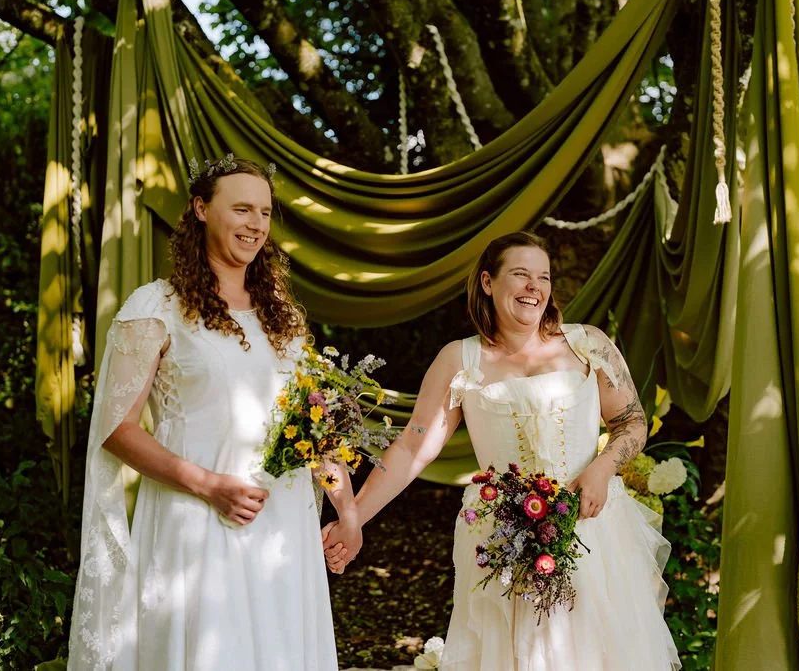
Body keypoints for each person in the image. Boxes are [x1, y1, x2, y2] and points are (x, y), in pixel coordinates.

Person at [323, 231, 680, 670]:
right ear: (488, 283)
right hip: (503, 539)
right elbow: (412, 450)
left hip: (591, 532)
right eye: (521, 274)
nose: (535, 287)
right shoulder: (460, 360)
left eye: (543, 277)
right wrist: (353, 518)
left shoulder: (588, 344)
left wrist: (603, 468)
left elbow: (632, 422)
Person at [68, 156, 357, 670]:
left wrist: (348, 512)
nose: (256, 225)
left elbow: (315, 423)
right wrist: (208, 486)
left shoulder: (282, 315)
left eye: (265, 213)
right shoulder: (155, 307)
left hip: (284, 528)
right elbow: (115, 429)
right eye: (241, 209)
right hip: (196, 521)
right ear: (200, 209)